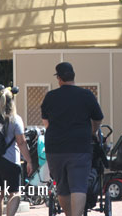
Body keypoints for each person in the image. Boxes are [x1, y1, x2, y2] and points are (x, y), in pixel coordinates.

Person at [41, 62, 104, 216]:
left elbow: (46, 123)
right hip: (79, 147)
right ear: (73, 76)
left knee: (62, 187)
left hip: (55, 149)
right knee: (78, 186)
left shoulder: (50, 97)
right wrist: (92, 131)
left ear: (59, 78)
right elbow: (98, 119)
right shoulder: (86, 95)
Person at [0, 86, 33, 216]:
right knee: (14, 193)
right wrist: (29, 161)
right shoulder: (15, 119)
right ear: (11, 102)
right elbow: (21, 142)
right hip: (9, 162)